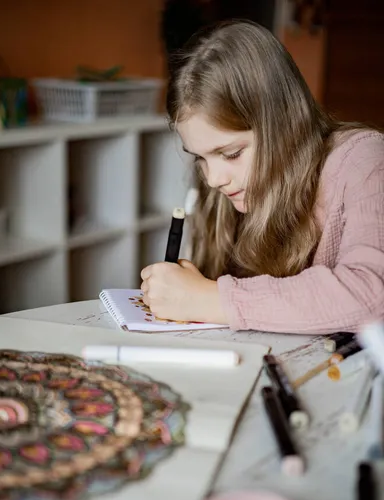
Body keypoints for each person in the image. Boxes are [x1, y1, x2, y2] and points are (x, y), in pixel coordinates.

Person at [140, 20, 384, 334]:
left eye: (231, 154)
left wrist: (209, 299)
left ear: (282, 124)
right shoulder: (229, 189)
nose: (213, 179)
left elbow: (373, 295)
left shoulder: (365, 161)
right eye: (200, 158)